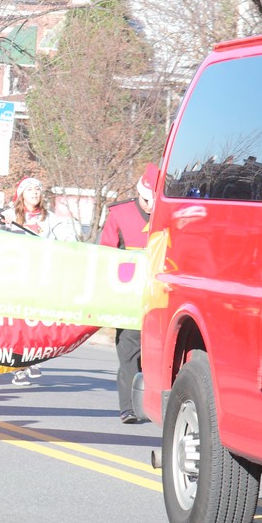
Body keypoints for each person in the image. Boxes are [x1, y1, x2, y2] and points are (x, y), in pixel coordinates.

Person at [0, 177, 80, 386]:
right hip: (16, 278)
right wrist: (3, 224)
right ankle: (18, 367)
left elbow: (68, 239)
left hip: (42, 278)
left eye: (38, 189)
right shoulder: (9, 216)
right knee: (17, 324)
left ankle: (33, 358)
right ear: (21, 195)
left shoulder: (51, 218)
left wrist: (72, 245)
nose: (35, 193)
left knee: (36, 322)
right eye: (30, 189)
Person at [98, 165, 156, 423]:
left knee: (154, 353)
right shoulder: (120, 213)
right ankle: (129, 407)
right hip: (128, 295)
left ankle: (152, 403)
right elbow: (105, 253)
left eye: (155, 201)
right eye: (145, 200)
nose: (150, 207)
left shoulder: (170, 214)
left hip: (158, 297)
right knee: (129, 351)